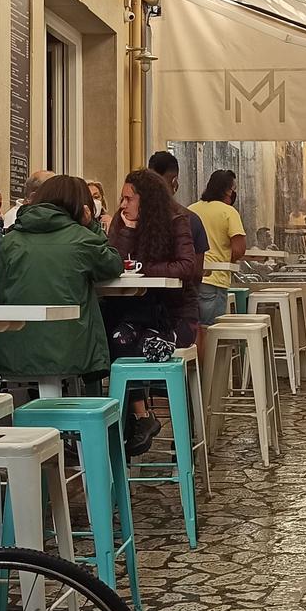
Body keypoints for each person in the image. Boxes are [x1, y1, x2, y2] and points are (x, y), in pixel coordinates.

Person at [0, 174, 124, 386]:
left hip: (13, 350)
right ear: (80, 205)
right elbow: (113, 265)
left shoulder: (11, 239)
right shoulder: (81, 237)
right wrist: (92, 227)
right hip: (69, 351)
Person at [107, 168, 202, 451]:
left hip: (174, 316)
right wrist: (127, 231)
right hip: (136, 312)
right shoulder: (122, 223)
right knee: (115, 335)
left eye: (128, 199)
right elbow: (113, 260)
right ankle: (138, 417)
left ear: (146, 200)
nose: (123, 205)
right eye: (122, 199)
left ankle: (140, 420)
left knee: (124, 341)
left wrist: (145, 268)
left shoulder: (176, 222)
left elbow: (188, 267)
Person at [191, 168, 247, 327]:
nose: (233, 194)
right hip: (215, 281)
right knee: (211, 331)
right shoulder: (228, 212)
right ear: (226, 191)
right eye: (233, 189)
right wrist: (224, 257)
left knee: (195, 331)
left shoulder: (191, 209)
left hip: (192, 280)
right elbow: (239, 249)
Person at [150, 149, 212, 266]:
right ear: (174, 182)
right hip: (183, 283)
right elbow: (196, 272)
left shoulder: (132, 218)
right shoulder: (191, 220)